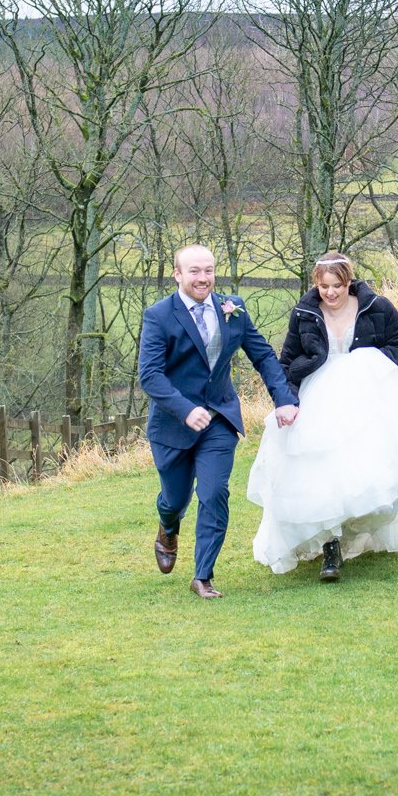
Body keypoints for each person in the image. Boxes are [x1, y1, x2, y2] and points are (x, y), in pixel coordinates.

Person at [246, 252, 398, 581]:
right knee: (320, 467)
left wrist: (370, 364)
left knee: (365, 463)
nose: (330, 293)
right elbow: (287, 359)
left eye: (337, 286)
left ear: (349, 282)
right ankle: (330, 546)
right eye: (323, 286)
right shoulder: (304, 312)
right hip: (318, 393)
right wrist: (286, 400)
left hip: (366, 394)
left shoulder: (377, 307)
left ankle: (362, 531)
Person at [138, 243, 297, 600]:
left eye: (208, 270)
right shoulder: (159, 316)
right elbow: (149, 376)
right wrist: (184, 409)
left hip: (220, 418)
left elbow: (263, 355)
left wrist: (284, 399)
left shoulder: (233, 308)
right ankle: (167, 525)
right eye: (194, 271)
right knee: (175, 499)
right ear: (178, 274)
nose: (203, 278)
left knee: (213, 493)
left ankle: (202, 575)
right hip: (172, 425)